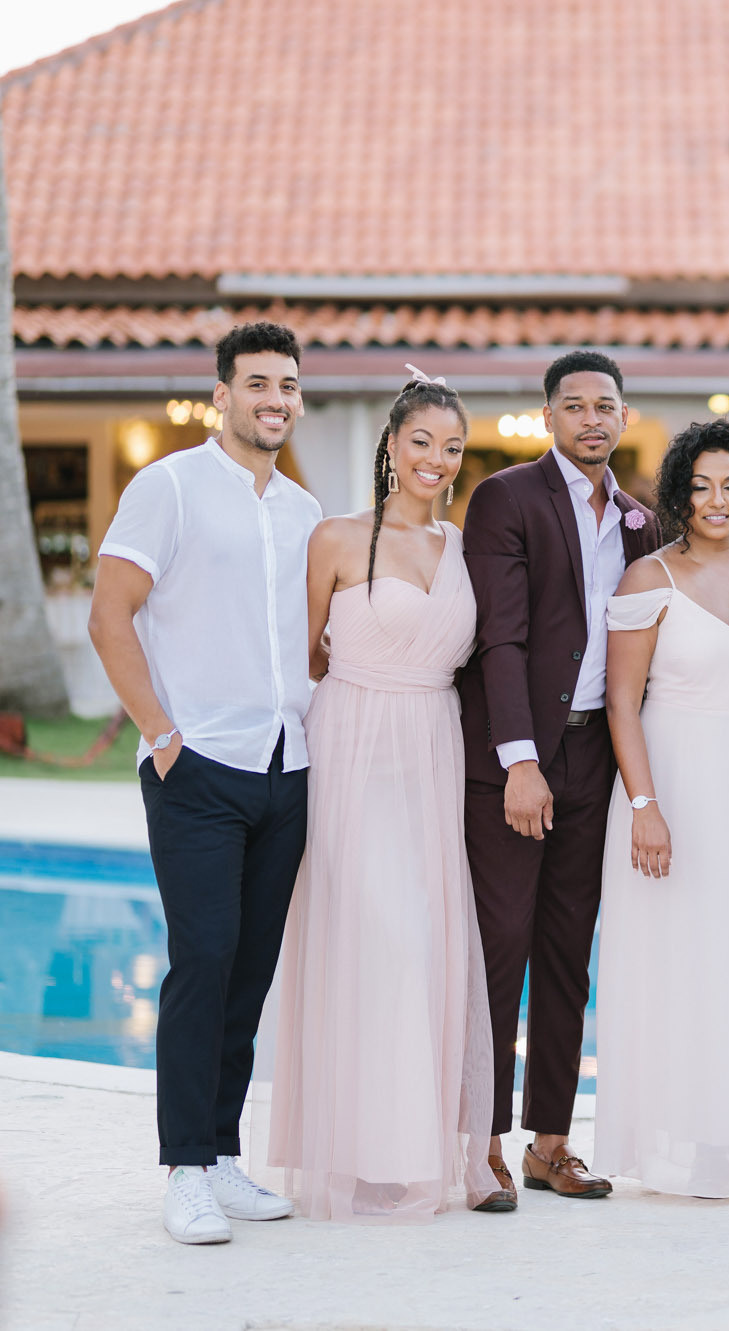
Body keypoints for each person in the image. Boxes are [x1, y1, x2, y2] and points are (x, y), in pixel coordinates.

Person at [88, 322, 320, 1244]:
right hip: (198, 771)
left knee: (250, 971)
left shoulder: (304, 511)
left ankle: (222, 1152)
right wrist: (161, 733)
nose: (275, 399)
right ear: (220, 394)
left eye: (289, 385)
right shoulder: (169, 485)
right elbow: (112, 614)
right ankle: (184, 1166)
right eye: (258, 382)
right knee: (203, 959)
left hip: (285, 768)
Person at [261, 370, 500, 1222]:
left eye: (453, 446)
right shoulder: (335, 537)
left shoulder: (467, 549)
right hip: (354, 744)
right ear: (392, 446)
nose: (438, 459)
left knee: (426, 946)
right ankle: (355, 1150)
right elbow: (302, 659)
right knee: (373, 941)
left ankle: (408, 1154)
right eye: (423, 441)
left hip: (432, 749)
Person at [457, 350, 662, 1204]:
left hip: (595, 762)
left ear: (622, 418)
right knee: (500, 950)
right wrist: (520, 762)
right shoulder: (505, 499)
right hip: (519, 761)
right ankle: (481, 1142)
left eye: (603, 405)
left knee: (568, 953)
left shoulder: (641, 524)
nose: (590, 418)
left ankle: (550, 1141)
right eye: (573, 405)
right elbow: (499, 638)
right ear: (549, 417)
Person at [595, 420, 729, 1198]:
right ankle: (685, 1140)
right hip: (673, 784)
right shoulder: (647, 581)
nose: (718, 500)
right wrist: (644, 804)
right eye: (702, 485)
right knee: (679, 963)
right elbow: (621, 703)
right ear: (678, 493)